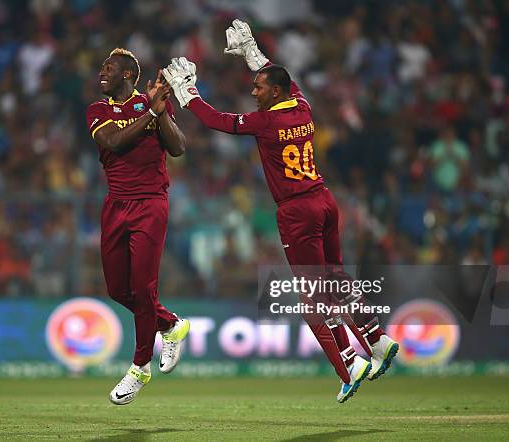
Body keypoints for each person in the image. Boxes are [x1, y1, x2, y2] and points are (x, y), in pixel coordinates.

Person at [163, 20, 398, 403]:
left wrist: (188, 94)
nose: (253, 92)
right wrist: (253, 53)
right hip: (324, 200)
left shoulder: (266, 121)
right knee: (335, 279)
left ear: (274, 92)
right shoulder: (302, 106)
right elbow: (277, 78)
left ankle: (349, 362)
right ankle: (377, 338)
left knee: (313, 298)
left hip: (297, 211)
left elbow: (217, 121)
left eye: (258, 87)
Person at [86, 48, 190, 405]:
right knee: (118, 289)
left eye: (108, 67)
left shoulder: (151, 106)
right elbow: (112, 142)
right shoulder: (97, 111)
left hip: (150, 204)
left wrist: (160, 113)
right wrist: (150, 111)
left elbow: (177, 147)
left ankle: (139, 368)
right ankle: (171, 324)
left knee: (144, 288)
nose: (102, 71)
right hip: (115, 205)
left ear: (128, 74)